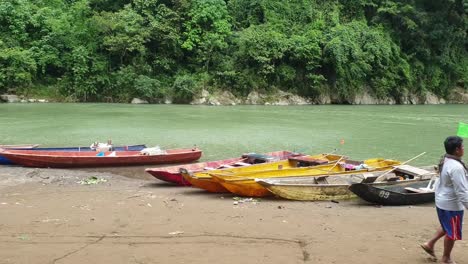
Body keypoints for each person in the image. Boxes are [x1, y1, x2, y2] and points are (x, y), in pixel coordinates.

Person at [421, 136, 468, 263]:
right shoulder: (457, 167)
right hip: (451, 205)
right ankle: (446, 257)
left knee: (447, 226)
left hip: (441, 200)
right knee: (452, 232)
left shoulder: (445, 159)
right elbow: (462, 191)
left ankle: (429, 244)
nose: (464, 148)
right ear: (457, 150)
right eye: (462, 147)